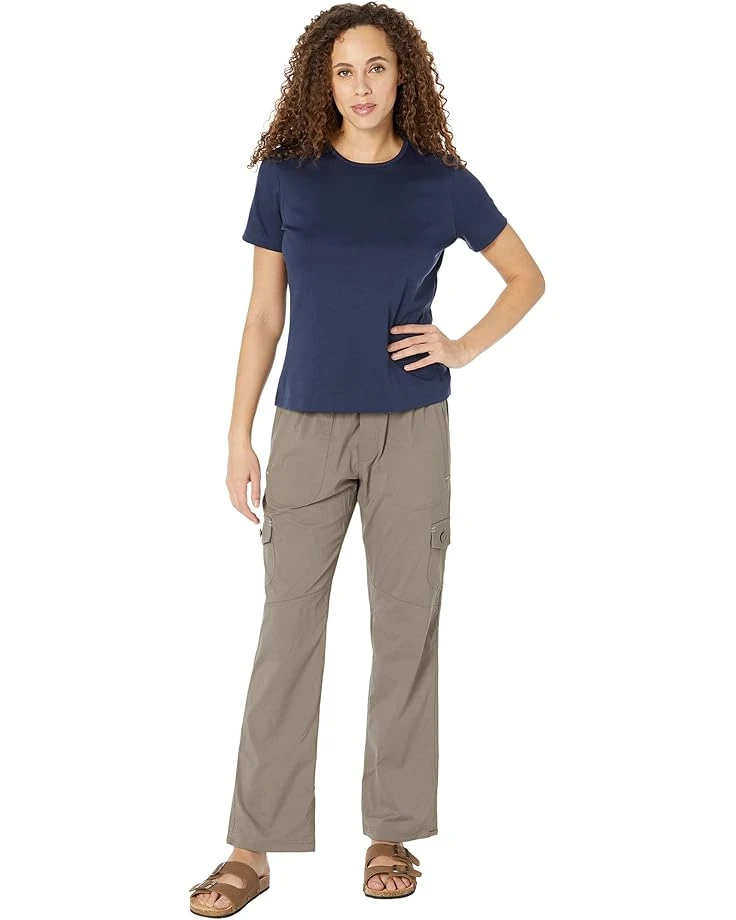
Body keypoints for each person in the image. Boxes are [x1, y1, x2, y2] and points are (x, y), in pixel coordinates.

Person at [190, 3, 544, 915]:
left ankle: (391, 832)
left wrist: (460, 347)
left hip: (412, 428)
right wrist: (238, 435)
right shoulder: (287, 177)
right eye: (344, 71)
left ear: (402, 75)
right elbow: (263, 315)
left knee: (405, 630)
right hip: (305, 429)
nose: (361, 87)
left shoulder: (442, 182)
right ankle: (252, 847)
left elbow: (527, 277)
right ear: (323, 81)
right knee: (286, 636)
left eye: (376, 68)